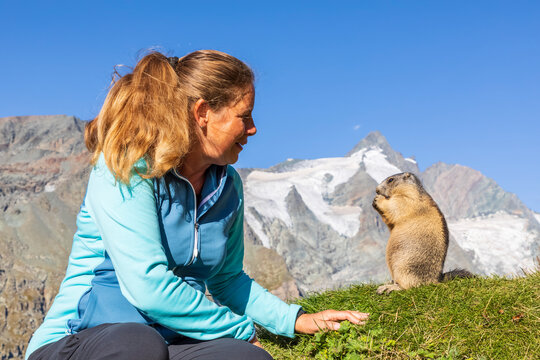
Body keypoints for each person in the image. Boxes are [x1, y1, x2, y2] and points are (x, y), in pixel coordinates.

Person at [25, 50, 369, 360]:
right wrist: (242, 331)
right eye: (244, 117)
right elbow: (148, 287)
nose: (253, 129)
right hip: (78, 340)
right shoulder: (126, 168)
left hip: (166, 343)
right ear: (203, 112)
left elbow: (227, 279)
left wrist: (293, 319)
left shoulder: (227, 186)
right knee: (137, 344)